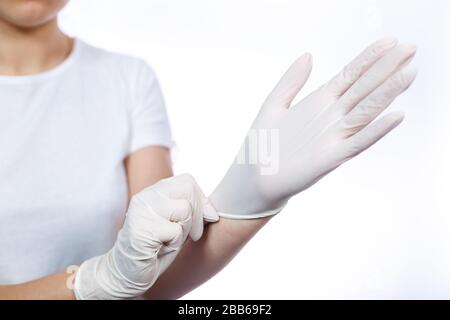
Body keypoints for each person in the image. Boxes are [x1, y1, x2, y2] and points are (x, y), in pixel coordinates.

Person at [0, 0, 417, 299]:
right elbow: (113, 280)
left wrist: (248, 197)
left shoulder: (127, 80)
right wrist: (91, 282)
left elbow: (154, 274)